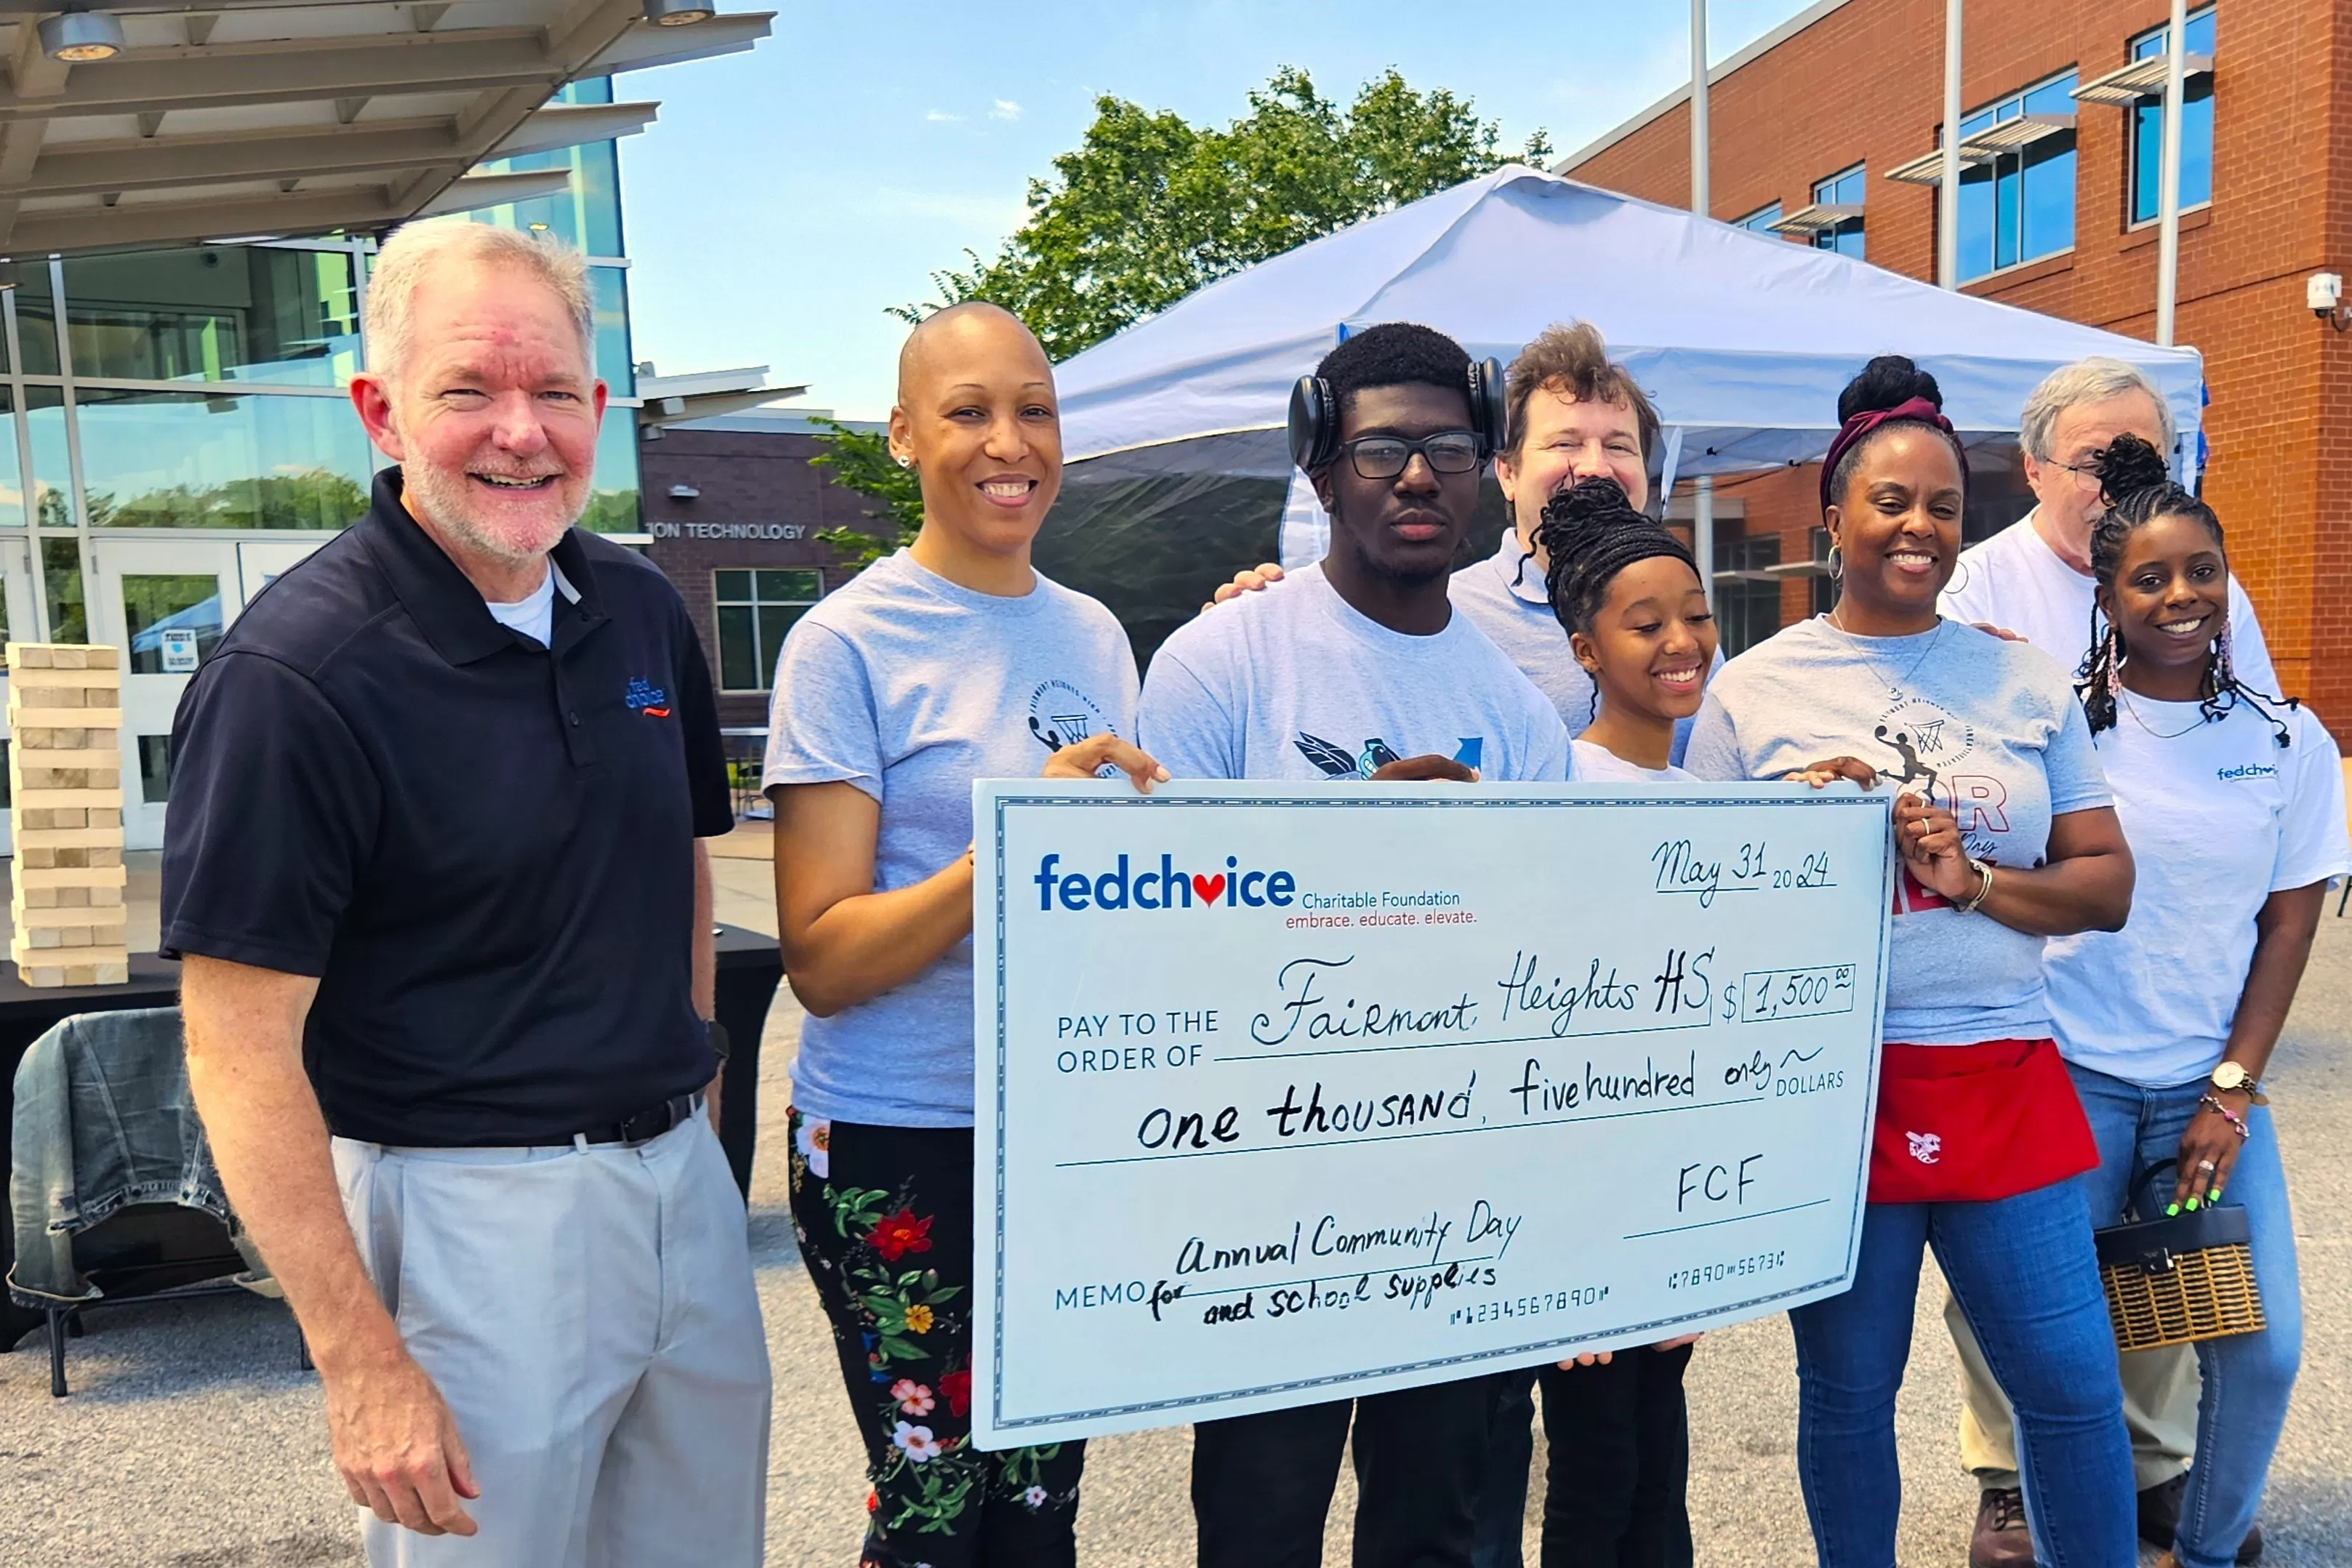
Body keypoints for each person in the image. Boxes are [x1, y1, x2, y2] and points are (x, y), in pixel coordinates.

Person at [164, 222, 769, 1564]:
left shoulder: (636, 605)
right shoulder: (297, 677)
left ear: (598, 412)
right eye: (469, 391)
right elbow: (235, 1043)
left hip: (681, 1187)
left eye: (556, 392)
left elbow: (678, 851)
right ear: (380, 410)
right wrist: (358, 1358)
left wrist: (698, 1088)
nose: (522, 432)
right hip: (466, 1222)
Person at [1682, 355, 2138, 1567]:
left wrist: (1975, 880)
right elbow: (1696, 897)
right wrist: (1808, 837)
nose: (1921, 526)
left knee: (2074, 1388)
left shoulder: (2021, 678)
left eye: (1944, 504)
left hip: (2002, 1068)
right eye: (1891, 500)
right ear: (1833, 514)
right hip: (1841, 1089)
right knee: (1847, 1391)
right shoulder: (1754, 688)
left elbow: (2106, 882)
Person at [1137, 320, 1569, 1567]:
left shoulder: (1512, 709)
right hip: (1271, 1193)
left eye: (1446, 446)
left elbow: (1548, 957)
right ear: (1318, 467)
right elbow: (1163, 945)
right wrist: (1364, 863)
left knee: (1431, 1527)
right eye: (1384, 449)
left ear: (1486, 466)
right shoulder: (1221, 664)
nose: (1420, 475)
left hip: (1449, 1197)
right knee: (1262, 1523)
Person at [764, 302, 1163, 1567]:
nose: (1011, 441)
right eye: (969, 410)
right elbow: (821, 960)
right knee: (938, 1514)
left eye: (1034, 408)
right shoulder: (845, 644)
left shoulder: (1094, 631)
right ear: (902, 437)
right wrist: (1009, 853)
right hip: (899, 1133)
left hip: (1058, 1131)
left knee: (1040, 1511)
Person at [1940, 357, 2279, 1567]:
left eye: (2151, 450)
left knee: (2149, 1257)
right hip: (2012, 988)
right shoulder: (1978, 585)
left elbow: (2259, 760)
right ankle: (2012, 1474)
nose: (2127, 473)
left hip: (2152, 1006)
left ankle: (2143, 1461)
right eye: (2097, 457)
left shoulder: (2197, 582)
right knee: (2020, 1269)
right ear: (2034, 468)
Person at [2010, 433, 2341, 1568]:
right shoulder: (2051, 725)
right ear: (2104, 595)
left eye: (2200, 568)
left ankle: (2204, 1553)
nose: (2180, 595)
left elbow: (2287, 924)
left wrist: (2231, 1089)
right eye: (2147, 576)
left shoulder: (2288, 741)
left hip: (2207, 1094)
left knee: (2259, 1349)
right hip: (2069, 1087)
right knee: (2065, 1360)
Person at [1485, 473, 1714, 1568]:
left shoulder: (1716, 798)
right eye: (1645, 624)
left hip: (1666, 1203)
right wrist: (1557, 1263)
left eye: (1695, 615)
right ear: (1583, 651)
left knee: (1655, 1479)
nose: (1681, 643)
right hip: (1576, 1220)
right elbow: (1533, 1038)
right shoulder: (1555, 792)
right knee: (1590, 1485)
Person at [1208, 322, 1718, 749]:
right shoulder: (1437, 616)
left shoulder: (1689, 637)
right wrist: (1258, 627)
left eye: (1619, 446)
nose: (1593, 467)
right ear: (1506, 472)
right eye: (1564, 442)